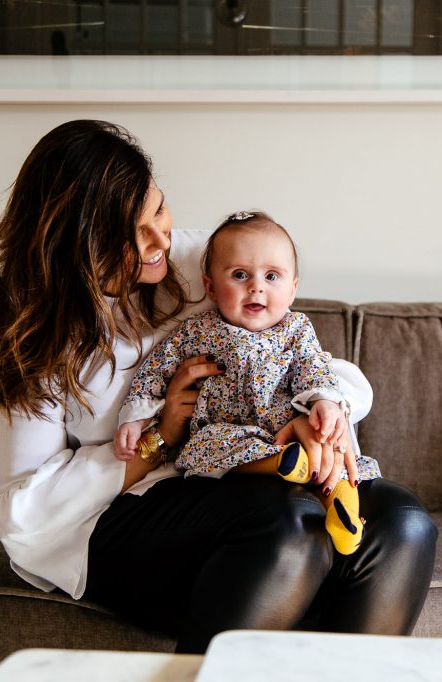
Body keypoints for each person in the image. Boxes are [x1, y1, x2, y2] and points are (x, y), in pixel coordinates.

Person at [0, 119, 437, 653]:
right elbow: (28, 510)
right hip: (106, 518)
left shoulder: (199, 262)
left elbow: (304, 357)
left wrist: (311, 416)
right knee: (290, 525)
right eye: (131, 233)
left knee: (402, 522)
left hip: (231, 480)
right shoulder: (31, 330)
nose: (159, 241)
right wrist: (161, 435)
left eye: (159, 210)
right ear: (79, 243)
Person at [114, 210, 379, 555]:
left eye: (272, 276)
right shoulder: (198, 330)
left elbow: (314, 366)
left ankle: (345, 512)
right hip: (226, 429)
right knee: (209, 445)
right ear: (210, 286)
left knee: (329, 444)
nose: (256, 286)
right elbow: (156, 370)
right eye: (240, 275)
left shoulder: (295, 329)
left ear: (293, 288)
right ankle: (283, 464)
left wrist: (325, 402)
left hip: (286, 426)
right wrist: (135, 418)